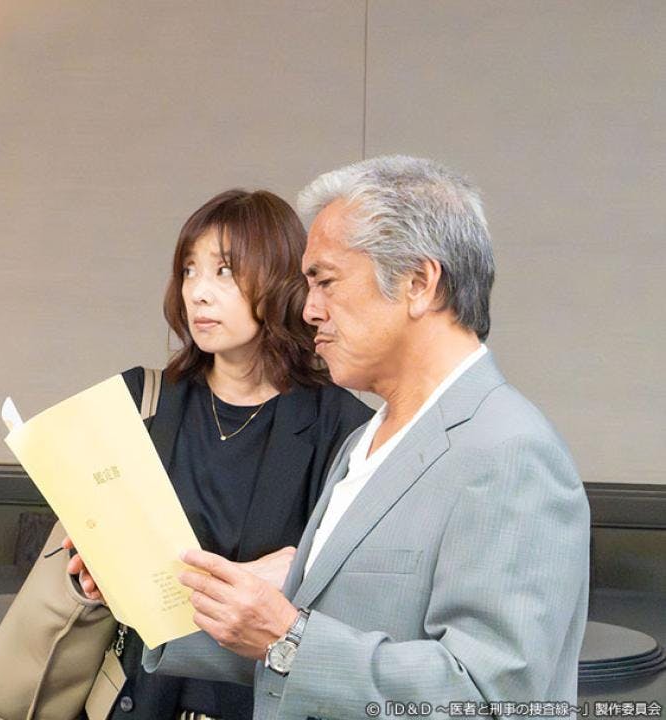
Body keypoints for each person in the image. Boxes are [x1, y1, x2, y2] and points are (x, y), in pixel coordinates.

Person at [111, 156, 589, 717]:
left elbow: (494, 698)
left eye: (326, 282)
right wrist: (141, 597)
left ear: (418, 283)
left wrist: (287, 640)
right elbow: (297, 639)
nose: (309, 309)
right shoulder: (367, 440)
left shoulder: (510, 452)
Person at [64, 189, 372, 720]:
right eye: (189, 271)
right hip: (138, 697)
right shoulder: (141, 400)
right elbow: (93, 541)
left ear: (279, 280)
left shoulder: (342, 427)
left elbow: (355, 597)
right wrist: (94, 573)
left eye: (224, 272)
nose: (198, 293)